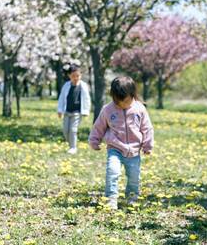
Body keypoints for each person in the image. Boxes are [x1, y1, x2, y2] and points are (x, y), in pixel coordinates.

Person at [89, 76, 154, 210]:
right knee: (112, 172)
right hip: (115, 148)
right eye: (118, 101)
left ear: (132, 95)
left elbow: (147, 127)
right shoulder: (108, 109)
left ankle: (132, 196)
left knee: (134, 176)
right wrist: (94, 140)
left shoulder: (139, 109)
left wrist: (147, 145)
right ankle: (111, 199)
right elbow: (99, 126)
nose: (122, 105)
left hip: (134, 151)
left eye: (125, 101)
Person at [57, 65, 91, 154]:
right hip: (67, 111)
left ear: (80, 75)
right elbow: (61, 98)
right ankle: (71, 145)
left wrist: (86, 111)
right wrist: (60, 110)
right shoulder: (66, 85)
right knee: (65, 130)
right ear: (69, 76)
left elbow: (87, 99)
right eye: (73, 76)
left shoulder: (83, 86)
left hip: (77, 112)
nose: (75, 78)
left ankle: (73, 147)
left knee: (73, 129)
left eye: (77, 76)